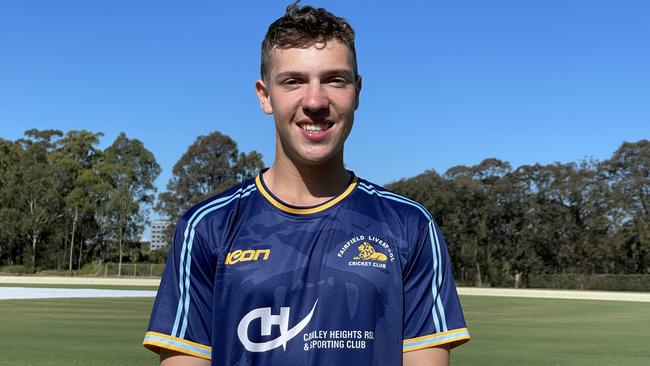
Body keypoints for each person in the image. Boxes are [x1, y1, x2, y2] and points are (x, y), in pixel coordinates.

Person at [143, 3, 469, 365]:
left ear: (357, 92)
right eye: (293, 81)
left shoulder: (410, 226)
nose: (315, 101)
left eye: (335, 80)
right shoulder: (207, 227)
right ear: (265, 95)